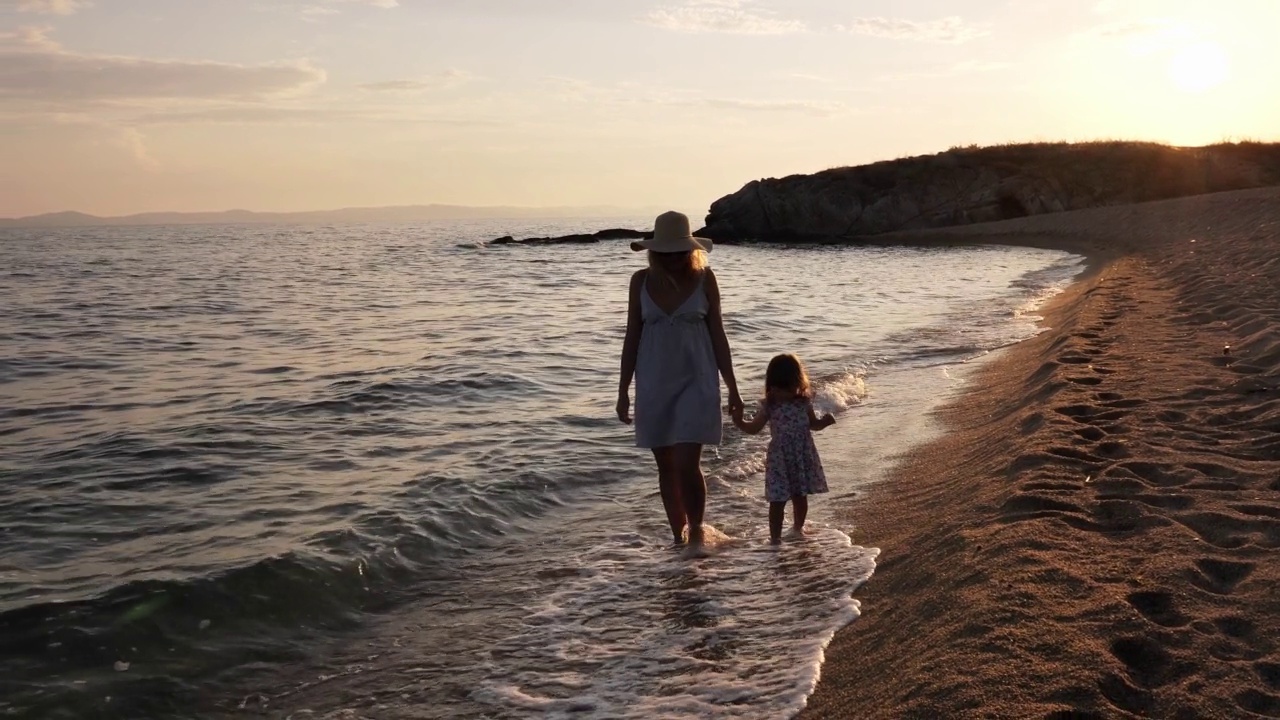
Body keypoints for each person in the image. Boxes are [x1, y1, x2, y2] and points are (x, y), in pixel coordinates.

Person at [617, 210, 743, 546]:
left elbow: (718, 334)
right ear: (654, 252)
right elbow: (632, 336)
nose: (672, 259)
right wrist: (622, 390)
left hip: (697, 380)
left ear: (690, 250)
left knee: (688, 465)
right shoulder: (640, 282)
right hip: (654, 383)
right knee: (666, 468)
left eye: (679, 252)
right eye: (665, 253)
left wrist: (732, 387)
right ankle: (678, 539)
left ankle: (697, 532)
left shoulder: (705, 279)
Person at [731, 353, 835, 544]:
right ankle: (775, 540)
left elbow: (813, 424)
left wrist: (824, 422)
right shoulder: (771, 405)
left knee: (799, 495)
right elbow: (754, 428)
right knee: (777, 500)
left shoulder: (803, 402)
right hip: (780, 458)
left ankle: (797, 529)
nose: (781, 392)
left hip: (801, 454)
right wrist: (739, 422)